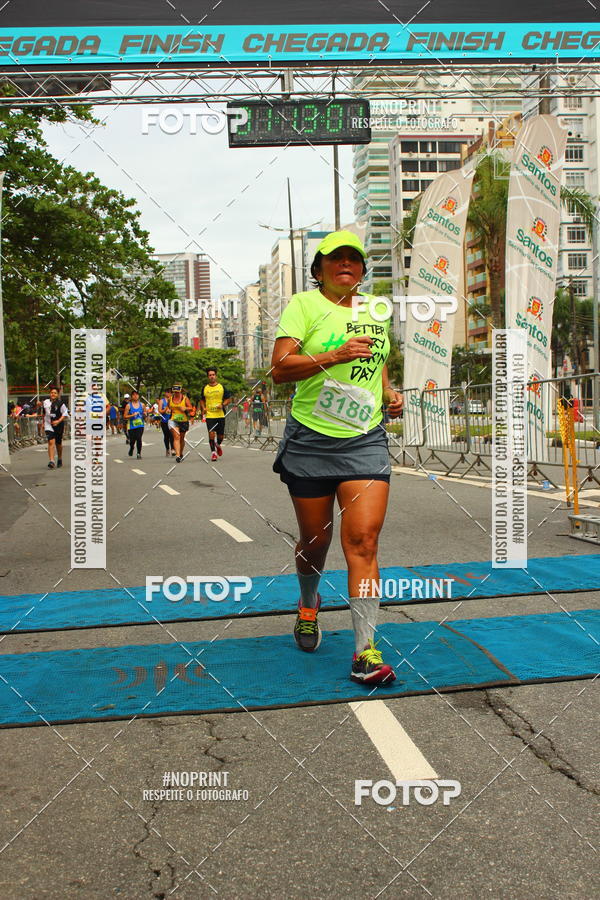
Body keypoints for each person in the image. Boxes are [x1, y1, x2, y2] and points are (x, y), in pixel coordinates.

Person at [271, 230, 403, 685]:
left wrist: (387, 390)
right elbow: (279, 369)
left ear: (363, 269)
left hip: (363, 439)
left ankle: (365, 649)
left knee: (363, 542)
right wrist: (334, 354)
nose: (345, 264)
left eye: (354, 258)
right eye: (335, 258)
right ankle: (309, 604)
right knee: (315, 543)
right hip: (310, 440)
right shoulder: (303, 306)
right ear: (320, 268)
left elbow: (377, 358)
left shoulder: (374, 311)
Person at [200, 367, 231, 461]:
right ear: (208, 377)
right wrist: (203, 408)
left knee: (220, 436)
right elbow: (201, 400)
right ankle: (213, 453)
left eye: (213, 375)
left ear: (216, 376)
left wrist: (223, 404)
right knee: (211, 434)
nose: (212, 376)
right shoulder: (205, 388)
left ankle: (218, 444)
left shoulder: (221, 387)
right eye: (210, 375)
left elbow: (228, 399)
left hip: (220, 415)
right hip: (210, 415)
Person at [43, 388, 69, 469]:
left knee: (58, 443)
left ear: (57, 394)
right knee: (51, 441)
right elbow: (44, 412)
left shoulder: (61, 404)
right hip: (48, 424)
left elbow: (65, 413)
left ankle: (60, 458)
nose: (53, 394)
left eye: (55, 393)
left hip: (58, 424)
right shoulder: (46, 402)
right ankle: (52, 461)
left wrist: (58, 421)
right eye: (51, 392)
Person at [168, 384, 194, 462]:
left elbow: (191, 408)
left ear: (180, 391)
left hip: (183, 421)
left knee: (181, 439)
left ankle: (181, 453)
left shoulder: (185, 398)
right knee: (177, 436)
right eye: (175, 392)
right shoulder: (170, 399)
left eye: (177, 392)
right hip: (173, 420)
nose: (176, 394)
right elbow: (168, 407)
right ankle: (178, 455)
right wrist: (168, 410)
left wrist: (185, 408)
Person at [123, 389, 145, 459]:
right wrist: (132, 415)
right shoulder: (128, 406)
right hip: (131, 425)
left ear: (138, 396)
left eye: (137, 394)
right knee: (132, 440)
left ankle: (139, 453)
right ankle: (132, 448)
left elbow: (145, 414)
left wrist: (145, 414)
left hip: (140, 425)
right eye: (134, 395)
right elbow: (125, 416)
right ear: (131, 396)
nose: (135, 396)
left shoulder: (142, 405)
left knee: (139, 438)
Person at [158, 388, 175, 457]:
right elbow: (160, 411)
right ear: (165, 393)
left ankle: (173, 449)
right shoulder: (161, 401)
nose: (169, 394)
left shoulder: (173, 400)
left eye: (171, 392)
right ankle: (167, 449)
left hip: (172, 420)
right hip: (164, 420)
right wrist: (166, 408)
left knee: (172, 435)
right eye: (168, 392)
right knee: (166, 436)